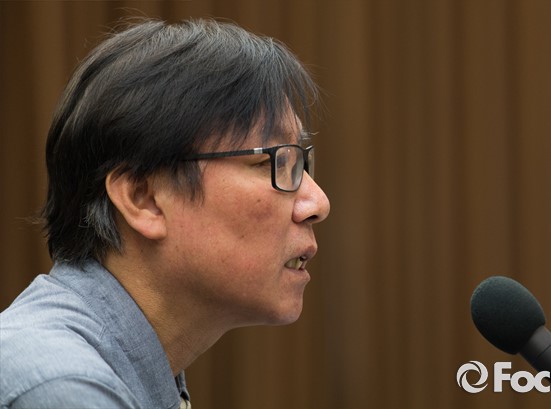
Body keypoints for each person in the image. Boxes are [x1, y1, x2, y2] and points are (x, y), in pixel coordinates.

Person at [0, 18, 330, 409]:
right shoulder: (64, 388)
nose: (317, 203)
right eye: (272, 162)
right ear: (144, 199)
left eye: (300, 162)